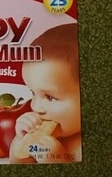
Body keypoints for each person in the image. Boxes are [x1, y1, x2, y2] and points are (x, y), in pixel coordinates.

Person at [9, 22, 81, 164]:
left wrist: (59, 161)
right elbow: (15, 165)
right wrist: (21, 140)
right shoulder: (41, 131)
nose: (35, 107)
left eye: (50, 97)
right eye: (33, 92)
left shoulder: (92, 141)